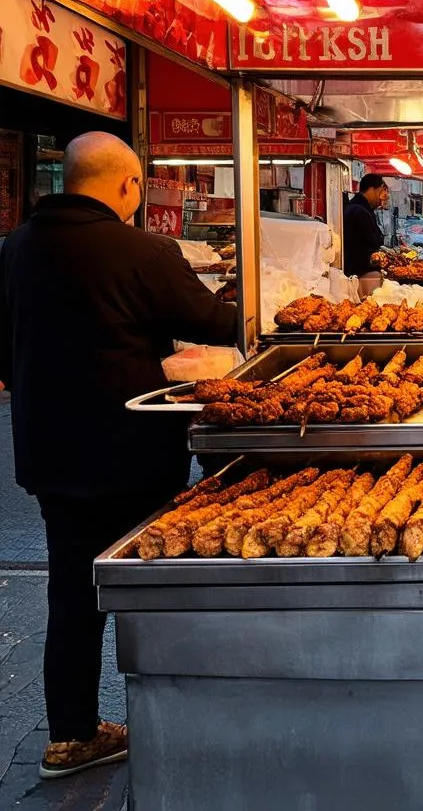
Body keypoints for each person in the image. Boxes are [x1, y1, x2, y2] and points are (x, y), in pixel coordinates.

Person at [0, 131, 237, 780]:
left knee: (72, 592)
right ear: (127, 186)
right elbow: (217, 323)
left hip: (50, 455)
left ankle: (71, 736)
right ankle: (178, 725)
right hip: (133, 450)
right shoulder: (142, 250)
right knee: (155, 583)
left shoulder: (14, 250)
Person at [343, 173, 389, 294]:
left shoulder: (356, 207)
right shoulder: (359, 212)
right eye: (381, 191)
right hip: (361, 274)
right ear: (372, 189)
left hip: (358, 273)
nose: (381, 199)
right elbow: (371, 241)